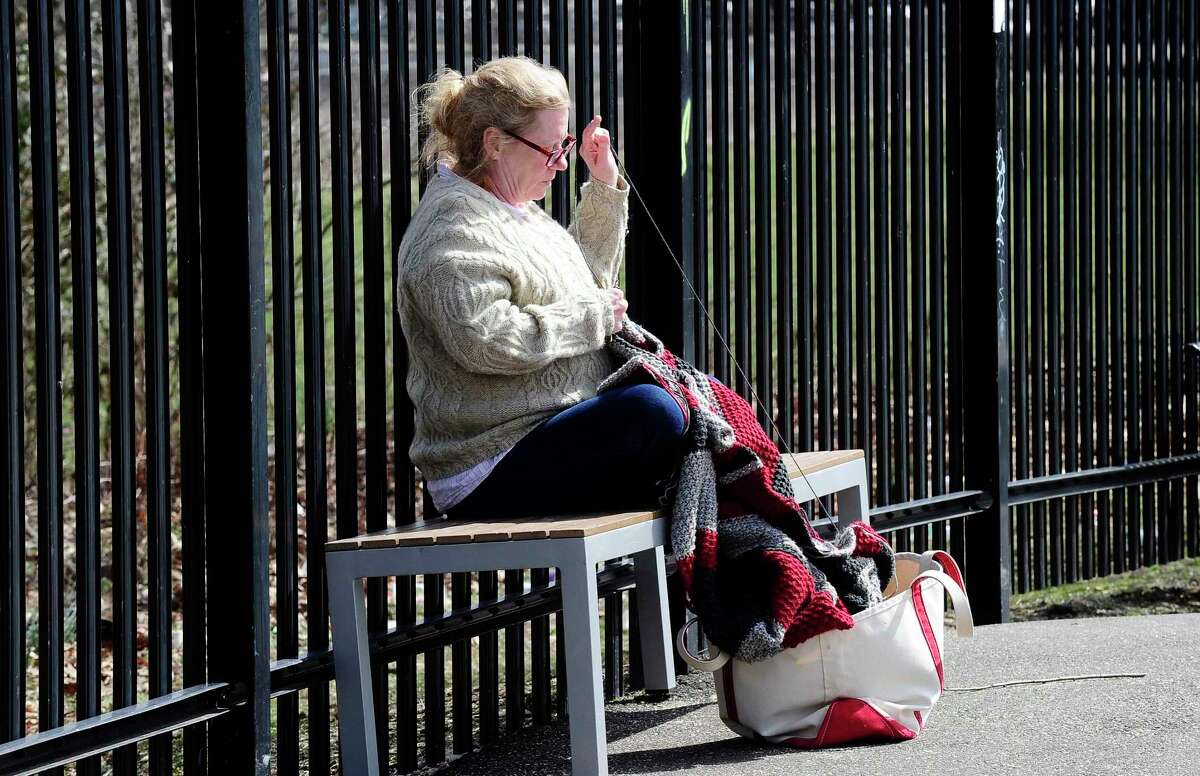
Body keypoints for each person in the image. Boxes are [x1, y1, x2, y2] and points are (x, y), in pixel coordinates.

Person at [395, 56, 686, 520]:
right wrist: (591, 317)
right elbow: (485, 340)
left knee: (695, 404)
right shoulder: (451, 228)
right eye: (551, 148)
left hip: (547, 431)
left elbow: (586, 286)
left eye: (566, 143)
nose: (564, 162)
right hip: (487, 463)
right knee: (655, 411)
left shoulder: (515, 208)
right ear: (495, 143)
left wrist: (605, 184)